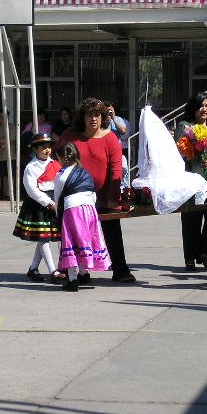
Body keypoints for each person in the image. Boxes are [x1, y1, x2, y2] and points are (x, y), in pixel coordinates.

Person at [58, 97, 135, 283]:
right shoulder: (70, 136)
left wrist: (112, 198)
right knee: (78, 235)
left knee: (112, 232)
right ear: (82, 117)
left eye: (97, 115)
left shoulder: (110, 139)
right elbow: (59, 160)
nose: (94, 118)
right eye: (89, 115)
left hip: (105, 198)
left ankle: (120, 270)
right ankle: (80, 274)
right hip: (78, 200)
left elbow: (117, 169)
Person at [54, 142, 111, 292]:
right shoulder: (85, 173)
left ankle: (72, 280)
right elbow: (93, 195)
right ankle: (84, 273)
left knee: (71, 243)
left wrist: (58, 217)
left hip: (72, 210)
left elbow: (58, 197)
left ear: (61, 158)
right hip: (90, 210)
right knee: (85, 241)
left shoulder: (61, 175)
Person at [12, 133, 66, 284]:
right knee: (43, 238)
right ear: (35, 149)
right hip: (38, 205)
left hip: (53, 202)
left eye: (49, 146)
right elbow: (32, 190)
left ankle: (33, 269)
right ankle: (53, 271)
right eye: (43, 147)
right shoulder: (31, 167)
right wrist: (49, 203)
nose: (47, 150)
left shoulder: (55, 163)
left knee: (44, 237)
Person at [177, 92, 207, 271]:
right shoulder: (184, 126)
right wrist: (196, 152)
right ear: (193, 108)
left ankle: (204, 253)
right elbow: (180, 152)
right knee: (191, 219)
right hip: (190, 179)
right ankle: (190, 256)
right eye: (201, 105)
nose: (204, 109)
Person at [0, 111, 15, 199]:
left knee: (9, 175)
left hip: (9, 155)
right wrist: (5, 140)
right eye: (0, 116)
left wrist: (1, 142)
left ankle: (9, 194)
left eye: (4, 116)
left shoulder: (12, 127)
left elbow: (12, 138)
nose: (2, 118)